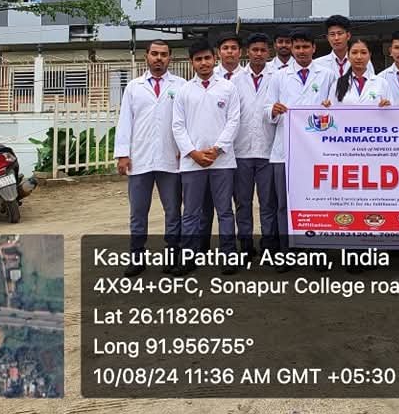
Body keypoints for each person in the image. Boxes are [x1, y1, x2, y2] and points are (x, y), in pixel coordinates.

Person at [264, 29, 337, 270]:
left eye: (306, 47)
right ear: (292, 50)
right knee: (284, 205)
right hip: (284, 150)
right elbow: (266, 110)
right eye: (297, 47)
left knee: (317, 203)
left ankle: (318, 251)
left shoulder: (327, 75)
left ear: (314, 48)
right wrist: (273, 110)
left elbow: (336, 109)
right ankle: (287, 252)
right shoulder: (279, 76)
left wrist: (329, 107)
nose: (302, 51)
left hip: (316, 153)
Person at [114, 40, 187, 277]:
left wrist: (185, 148)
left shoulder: (181, 86)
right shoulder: (133, 87)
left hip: (171, 159)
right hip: (139, 159)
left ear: (170, 58)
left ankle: (172, 255)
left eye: (163, 54)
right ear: (146, 56)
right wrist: (123, 154)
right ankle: (137, 256)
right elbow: (125, 122)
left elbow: (186, 121)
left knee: (173, 211)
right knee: (138, 212)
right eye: (154, 54)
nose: (159, 58)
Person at [172, 38, 242, 276]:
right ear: (192, 62)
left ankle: (229, 256)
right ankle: (188, 257)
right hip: (192, 163)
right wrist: (193, 152)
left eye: (207, 58)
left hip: (222, 161)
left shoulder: (228, 88)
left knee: (225, 211)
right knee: (191, 213)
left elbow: (234, 121)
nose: (203, 63)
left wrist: (218, 148)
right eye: (198, 59)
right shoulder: (184, 90)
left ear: (214, 59)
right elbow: (177, 126)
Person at [233, 33, 277, 258]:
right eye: (254, 50)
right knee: (243, 202)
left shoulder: (277, 77)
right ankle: (246, 244)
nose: (258, 54)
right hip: (241, 151)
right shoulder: (235, 80)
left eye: (262, 50)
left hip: (268, 151)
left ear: (269, 53)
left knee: (268, 203)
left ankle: (269, 244)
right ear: (247, 52)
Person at [325, 37, 392, 107]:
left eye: (363, 53)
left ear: (369, 55)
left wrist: (385, 107)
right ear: (348, 56)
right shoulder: (337, 84)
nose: (359, 57)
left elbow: (392, 110)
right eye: (354, 53)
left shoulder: (382, 83)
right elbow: (331, 110)